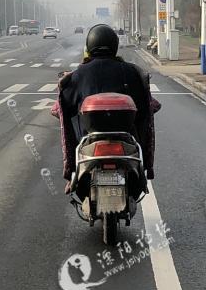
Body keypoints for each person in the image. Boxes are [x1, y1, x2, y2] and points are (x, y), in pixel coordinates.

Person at [54, 24, 160, 192]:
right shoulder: (131, 71)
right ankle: (144, 174)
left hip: (89, 140)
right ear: (114, 46)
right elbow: (144, 105)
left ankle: (72, 175)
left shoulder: (79, 74)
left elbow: (65, 105)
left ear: (89, 47)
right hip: (127, 141)